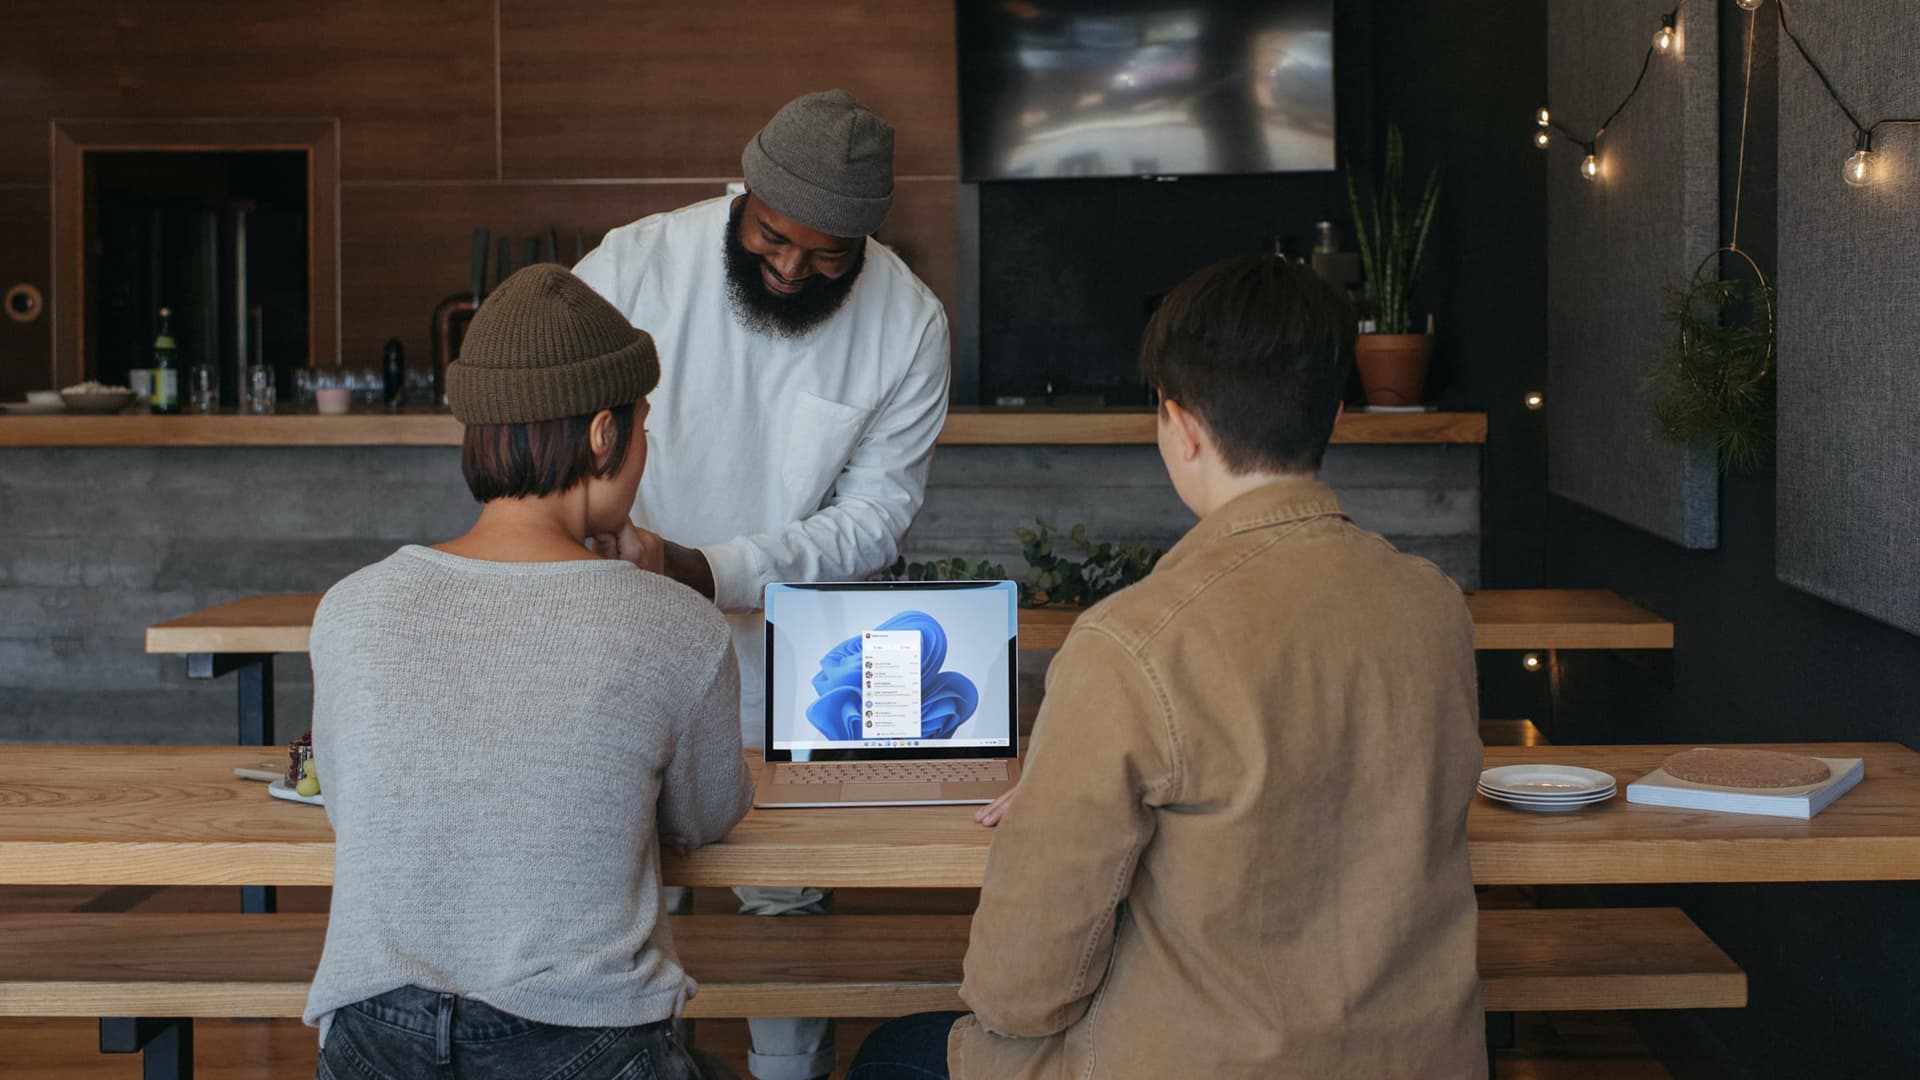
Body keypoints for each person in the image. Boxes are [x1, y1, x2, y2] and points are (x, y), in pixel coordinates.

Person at [847, 255, 1487, 1079]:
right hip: (1418, 1060)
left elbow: (1022, 986)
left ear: (1179, 424)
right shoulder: (1432, 606)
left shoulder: (1134, 639)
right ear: (1334, 410)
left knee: (892, 1056)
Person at [573, 88, 950, 1080]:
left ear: (868, 243)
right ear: (746, 191)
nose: (790, 268)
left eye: (827, 258)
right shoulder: (633, 265)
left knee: (785, 913)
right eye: (774, 238)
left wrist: (706, 568)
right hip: (620, 638)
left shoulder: (908, 322)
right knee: (631, 894)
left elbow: (876, 519)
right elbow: (546, 415)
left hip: (790, 660)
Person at [305, 264, 754, 1080]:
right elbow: (705, 817)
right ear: (601, 435)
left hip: (375, 1035)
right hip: (582, 1035)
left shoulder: (352, 609)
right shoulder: (674, 623)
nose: (646, 449)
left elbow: (352, 802)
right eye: (643, 426)